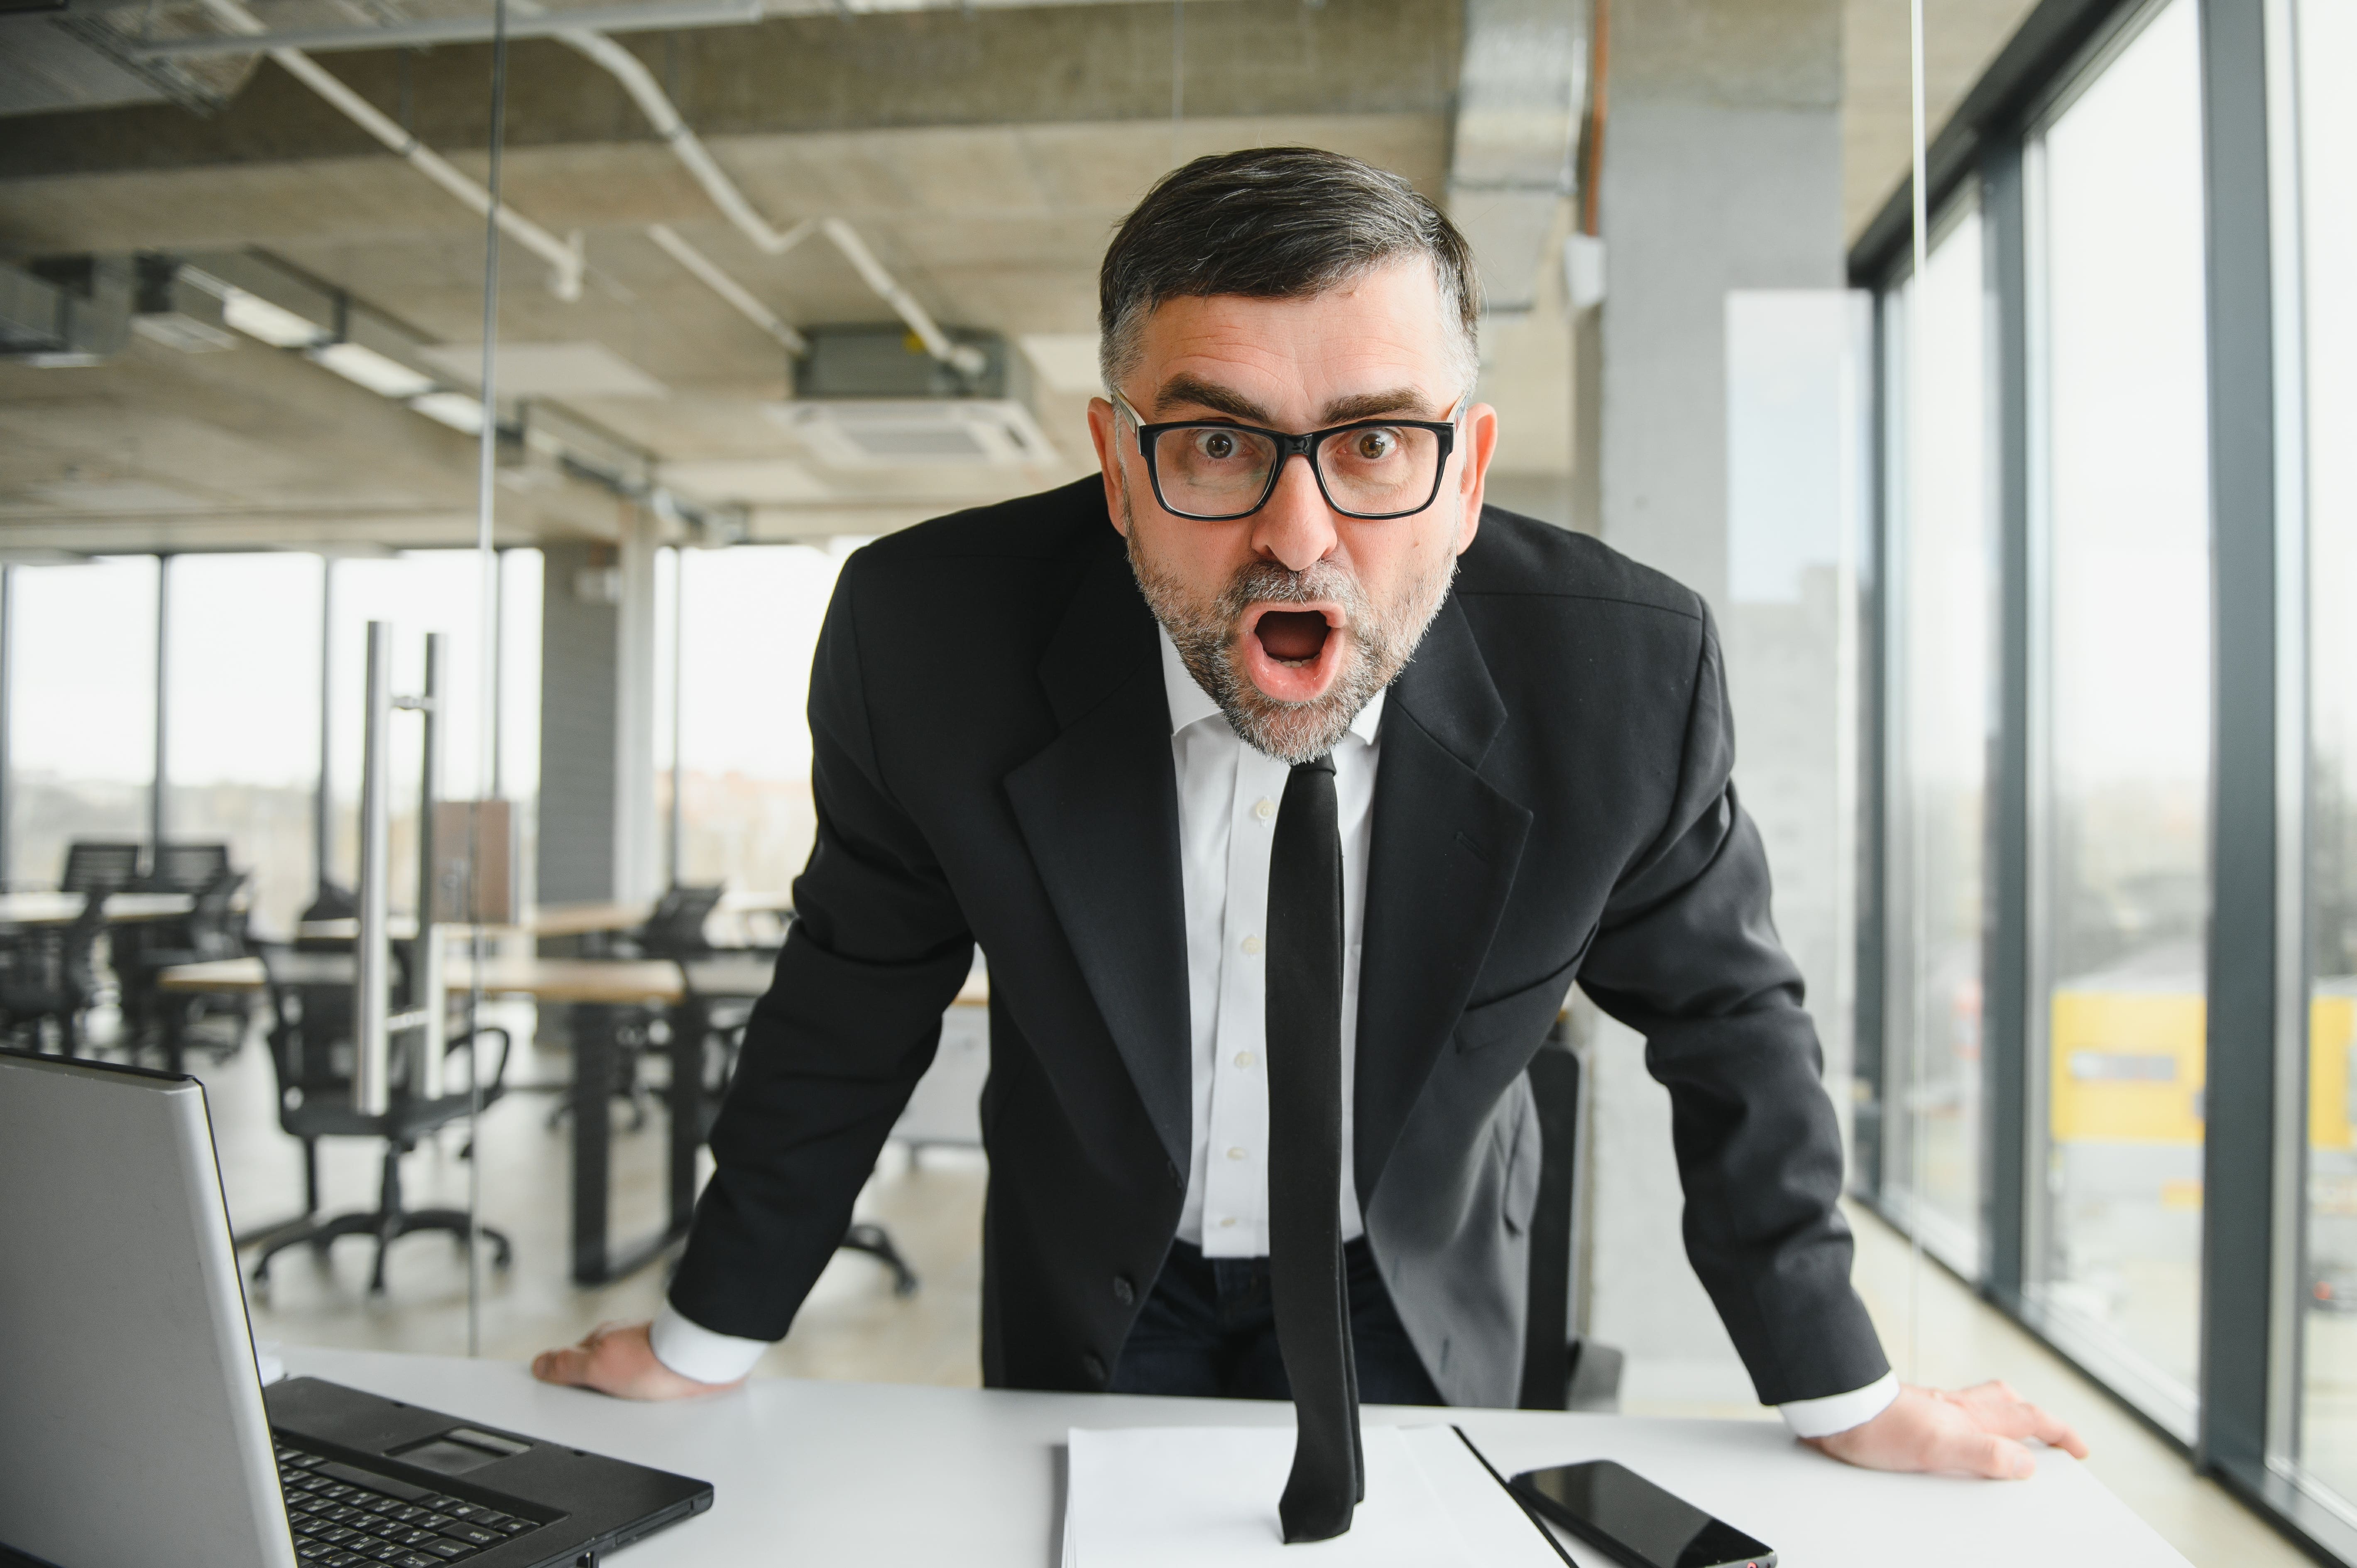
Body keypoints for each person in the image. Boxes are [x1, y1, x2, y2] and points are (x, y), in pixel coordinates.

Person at [535, 147, 2085, 1480]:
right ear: (1116, 466)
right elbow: (848, 1000)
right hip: (1094, 1286)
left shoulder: (1622, 676)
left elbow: (1730, 1023)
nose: (1299, 532)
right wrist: (703, 1339)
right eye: (1215, 442)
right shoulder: (923, 642)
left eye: (1376, 443)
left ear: (1467, 474)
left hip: (1412, 1282)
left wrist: (1844, 1389)